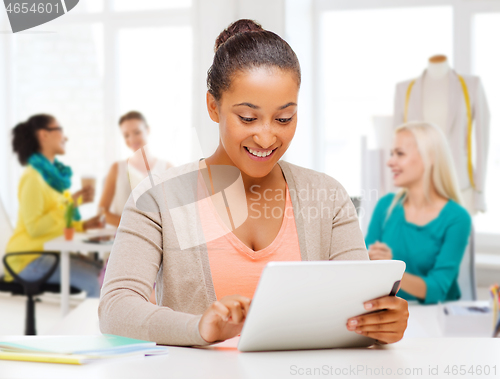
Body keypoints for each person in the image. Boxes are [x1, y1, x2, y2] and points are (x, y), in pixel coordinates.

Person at [99, 19, 408, 346]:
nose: (266, 136)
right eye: (247, 118)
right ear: (213, 106)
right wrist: (198, 329)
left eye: (284, 118)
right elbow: (116, 309)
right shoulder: (158, 198)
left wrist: (382, 322)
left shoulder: (327, 197)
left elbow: (357, 312)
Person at [365, 122, 472, 304]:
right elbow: (363, 268)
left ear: (429, 157)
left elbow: (437, 289)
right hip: (388, 312)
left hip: (435, 317)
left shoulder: (457, 219)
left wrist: (392, 270)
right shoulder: (385, 206)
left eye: (400, 154)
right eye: (392, 154)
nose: (390, 162)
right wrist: (367, 259)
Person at [5, 114, 104, 297]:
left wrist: (82, 225)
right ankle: (94, 326)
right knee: (98, 282)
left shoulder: (53, 180)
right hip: (28, 259)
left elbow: (56, 222)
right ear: (44, 135)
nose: (65, 137)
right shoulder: (32, 178)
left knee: (106, 273)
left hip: (47, 255)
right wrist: (69, 206)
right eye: (60, 130)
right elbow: (35, 228)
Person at [98, 111, 173, 228]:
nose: (132, 139)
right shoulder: (117, 168)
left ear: (147, 130)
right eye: (126, 135)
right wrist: (132, 225)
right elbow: (102, 212)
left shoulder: (166, 168)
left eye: (137, 132)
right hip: (124, 237)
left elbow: (175, 210)